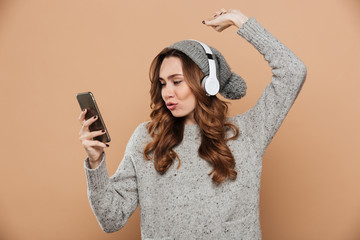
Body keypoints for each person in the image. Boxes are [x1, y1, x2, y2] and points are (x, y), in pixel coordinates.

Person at [78, 8, 307, 240]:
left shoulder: (248, 132)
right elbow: (111, 219)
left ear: (208, 83)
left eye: (177, 81)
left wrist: (240, 21)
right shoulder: (147, 138)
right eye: (162, 83)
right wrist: (96, 162)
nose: (167, 92)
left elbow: (292, 71)